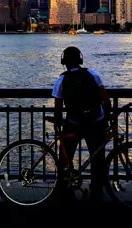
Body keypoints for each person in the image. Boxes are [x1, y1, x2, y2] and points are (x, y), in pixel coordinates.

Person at [52, 46, 112, 202]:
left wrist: (57, 122)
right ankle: (96, 189)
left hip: (74, 122)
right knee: (97, 157)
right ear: (80, 60)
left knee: (65, 158)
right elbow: (105, 99)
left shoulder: (62, 79)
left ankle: (65, 189)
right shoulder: (93, 74)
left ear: (63, 62)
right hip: (95, 122)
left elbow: (58, 105)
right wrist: (107, 116)